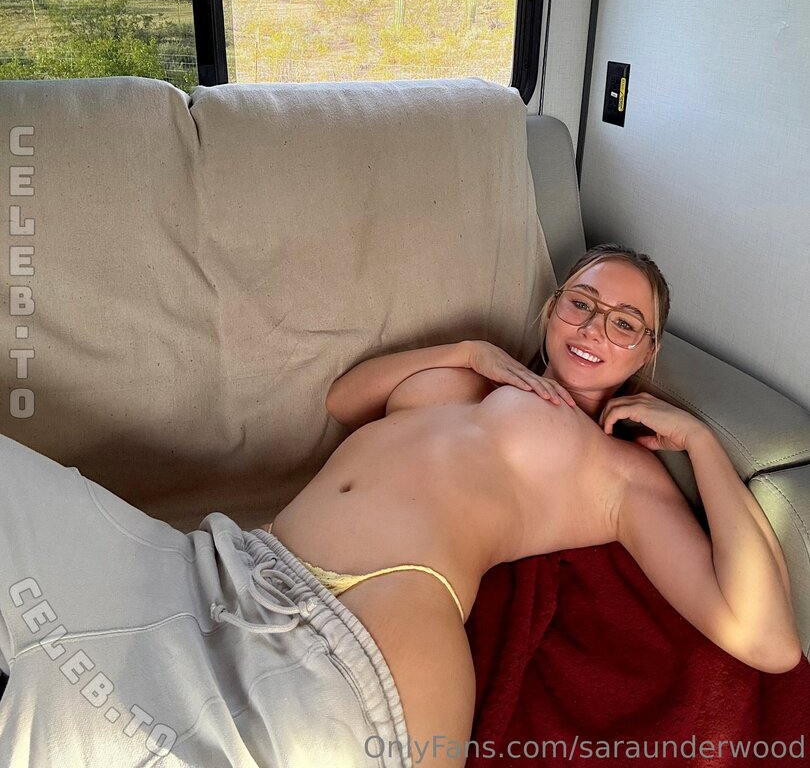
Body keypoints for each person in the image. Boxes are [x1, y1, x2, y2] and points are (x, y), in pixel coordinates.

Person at [0, 244, 802, 768]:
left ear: (649, 352)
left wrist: (702, 443)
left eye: (626, 323)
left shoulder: (620, 471)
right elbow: (346, 400)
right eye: (581, 302)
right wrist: (465, 352)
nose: (595, 328)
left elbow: (765, 641)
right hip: (234, 564)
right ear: (551, 306)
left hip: (373, 635)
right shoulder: (477, 370)